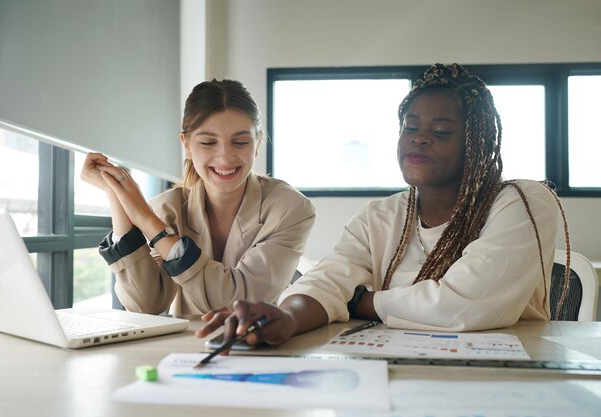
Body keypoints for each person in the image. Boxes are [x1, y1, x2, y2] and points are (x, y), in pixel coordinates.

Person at [197, 63, 570, 346]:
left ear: (479, 144)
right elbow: (329, 282)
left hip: (509, 377)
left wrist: (364, 302)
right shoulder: (381, 216)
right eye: (410, 128)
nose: (420, 139)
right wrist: (287, 317)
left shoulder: (522, 202)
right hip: (398, 372)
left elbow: (465, 304)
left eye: (441, 132)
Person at [81, 79, 316, 315]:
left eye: (240, 142)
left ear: (257, 143)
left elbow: (238, 304)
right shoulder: (167, 208)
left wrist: (147, 220)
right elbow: (145, 303)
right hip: (184, 347)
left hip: (260, 346)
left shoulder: (290, 208)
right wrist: (116, 194)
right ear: (187, 145)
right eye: (208, 142)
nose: (225, 157)